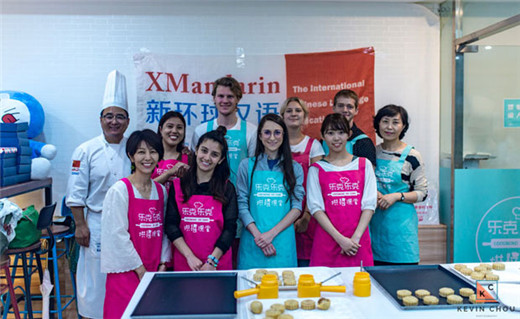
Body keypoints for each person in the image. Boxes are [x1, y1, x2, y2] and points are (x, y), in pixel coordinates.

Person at [66, 70, 130, 319]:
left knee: (122, 275)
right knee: (94, 278)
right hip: (95, 223)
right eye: (109, 116)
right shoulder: (85, 150)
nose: (114, 121)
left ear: (127, 120)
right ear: (101, 118)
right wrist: (80, 225)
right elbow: (75, 193)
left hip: (126, 222)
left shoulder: (134, 147)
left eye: (120, 117)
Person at [101, 129, 170, 319]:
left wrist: (163, 264)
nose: (147, 158)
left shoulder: (161, 191)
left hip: (153, 270)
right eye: (141, 152)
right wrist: (140, 270)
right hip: (126, 272)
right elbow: (117, 235)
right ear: (131, 156)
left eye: (153, 151)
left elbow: (164, 232)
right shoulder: (120, 190)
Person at [191, 76, 257, 268]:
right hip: (207, 204)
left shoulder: (251, 131)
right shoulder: (202, 130)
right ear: (213, 98)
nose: (225, 100)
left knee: (235, 256)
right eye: (220, 96)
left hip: (240, 203)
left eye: (230, 96)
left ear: (238, 99)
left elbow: (253, 171)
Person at [307, 113, 377, 267]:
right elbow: (315, 208)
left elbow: (369, 205)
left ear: (349, 134)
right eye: (330, 133)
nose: (336, 138)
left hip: (357, 243)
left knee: (360, 288)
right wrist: (340, 239)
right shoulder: (316, 169)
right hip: (327, 243)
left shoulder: (364, 165)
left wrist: (355, 239)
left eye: (341, 132)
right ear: (322, 136)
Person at [237, 113, 304, 269]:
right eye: (267, 132)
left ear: (284, 135)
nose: (272, 137)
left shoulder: (295, 168)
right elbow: (242, 204)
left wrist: (271, 234)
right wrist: (259, 237)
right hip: (253, 242)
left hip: (282, 243)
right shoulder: (246, 166)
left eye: (277, 132)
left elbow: (297, 208)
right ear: (260, 136)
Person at [165, 127, 238, 271]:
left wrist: (212, 261)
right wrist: (189, 256)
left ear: (221, 160)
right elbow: (171, 225)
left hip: (217, 265)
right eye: (204, 151)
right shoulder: (178, 185)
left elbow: (230, 229)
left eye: (214, 154)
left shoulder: (227, 188)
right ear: (196, 150)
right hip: (186, 263)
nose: (207, 158)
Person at [370, 104, 428, 265]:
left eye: (395, 122)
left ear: (403, 126)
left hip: (402, 232)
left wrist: (397, 196)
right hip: (374, 227)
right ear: (378, 124)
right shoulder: (372, 153)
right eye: (385, 121)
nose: (389, 127)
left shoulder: (412, 156)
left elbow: (422, 193)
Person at [280, 97, 324, 267]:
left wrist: (306, 215)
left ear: (305, 116)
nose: (293, 114)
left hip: (306, 214)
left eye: (298, 110)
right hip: (280, 211)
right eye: (289, 110)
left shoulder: (314, 146)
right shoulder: (274, 143)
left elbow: (316, 185)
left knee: (305, 263)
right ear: (282, 116)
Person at [323, 89, 377, 167]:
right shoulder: (323, 141)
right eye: (340, 105)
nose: (345, 110)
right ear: (334, 108)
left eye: (349, 107)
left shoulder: (364, 142)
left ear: (356, 111)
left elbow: (368, 175)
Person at [152, 111, 190, 192]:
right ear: (161, 129)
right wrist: (169, 173)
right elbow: (144, 187)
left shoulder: (189, 158)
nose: (174, 131)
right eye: (170, 126)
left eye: (179, 127)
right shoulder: (149, 156)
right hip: (151, 204)